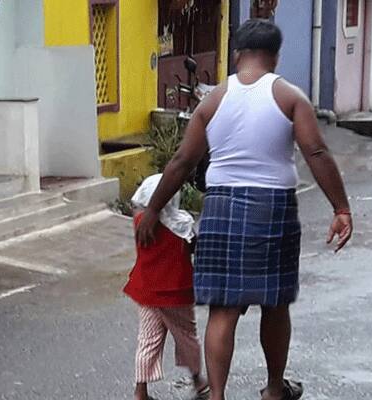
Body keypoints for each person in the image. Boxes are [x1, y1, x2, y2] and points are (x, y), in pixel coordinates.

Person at [136, 19, 353, 400]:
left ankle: (216, 395)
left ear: (237, 54)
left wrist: (154, 210)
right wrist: (341, 208)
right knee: (274, 301)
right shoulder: (289, 97)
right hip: (271, 208)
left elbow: (183, 162)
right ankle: (273, 389)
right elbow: (316, 151)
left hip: (220, 205)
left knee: (224, 307)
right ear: (276, 55)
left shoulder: (213, 100)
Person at [123, 174, 210, 400]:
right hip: (175, 293)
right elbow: (195, 246)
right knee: (186, 336)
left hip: (145, 289)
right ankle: (198, 381)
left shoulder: (140, 223)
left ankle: (140, 391)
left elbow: (137, 207)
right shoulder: (181, 226)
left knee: (148, 339)